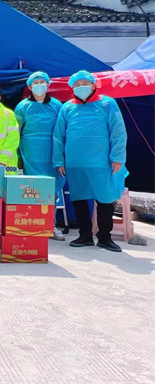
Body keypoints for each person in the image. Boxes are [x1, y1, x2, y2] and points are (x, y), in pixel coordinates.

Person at [53, 70, 128, 252]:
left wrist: (117, 157)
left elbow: (118, 132)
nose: (81, 87)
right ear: (72, 88)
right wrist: (59, 161)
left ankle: (105, 237)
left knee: (105, 200)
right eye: (77, 85)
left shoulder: (107, 104)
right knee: (78, 199)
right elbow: (58, 136)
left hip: (102, 162)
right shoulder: (67, 108)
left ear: (93, 85)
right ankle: (85, 235)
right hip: (75, 162)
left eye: (85, 84)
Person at [15, 72, 66, 241]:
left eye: (42, 82)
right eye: (35, 83)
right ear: (29, 86)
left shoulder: (57, 105)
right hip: (31, 153)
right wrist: (18, 155)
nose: (39, 85)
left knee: (52, 191)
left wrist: (60, 156)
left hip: (52, 153)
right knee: (32, 190)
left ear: (48, 84)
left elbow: (61, 131)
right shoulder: (22, 107)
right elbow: (16, 132)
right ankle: (33, 224)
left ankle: (51, 225)